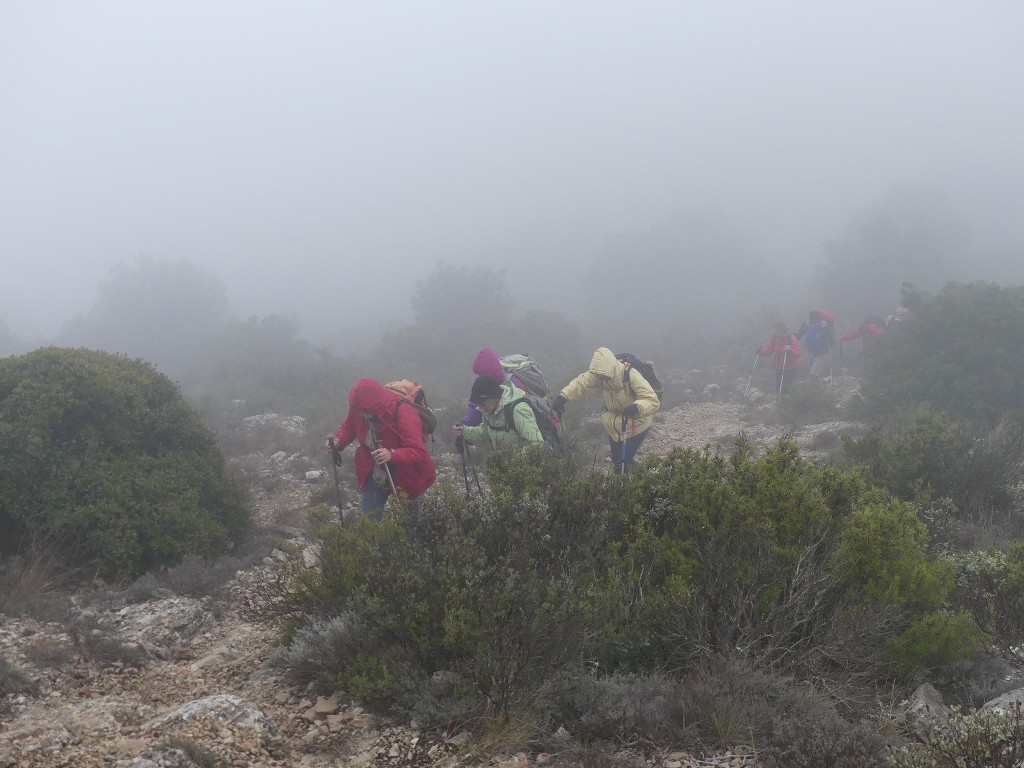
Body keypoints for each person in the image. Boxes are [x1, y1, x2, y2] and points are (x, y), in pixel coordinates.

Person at [326, 378, 437, 520]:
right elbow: (349, 427)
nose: (359, 414)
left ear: (373, 407)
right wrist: (337, 442)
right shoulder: (359, 406)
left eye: (362, 411)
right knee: (370, 519)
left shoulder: (404, 412)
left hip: (407, 473)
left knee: (410, 523)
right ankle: (374, 540)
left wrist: (392, 454)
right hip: (375, 470)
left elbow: (418, 452)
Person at [550, 347, 660, 473]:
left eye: (603, 376)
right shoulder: (599, 374)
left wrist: (637, 407)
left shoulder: (630, 374)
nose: (601, 379)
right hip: (614, 427)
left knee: (623, 463)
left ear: (610, 369)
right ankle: (623, 488)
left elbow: (652, 400)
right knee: (617, 464)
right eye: (599, 376)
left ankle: (648, 483)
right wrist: (563, 396)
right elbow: (581, 384)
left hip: (636, 425)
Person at [452, 375, 543, 451]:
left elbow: (536, 443)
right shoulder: (492, 412)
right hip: (506, 468)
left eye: (482, 404)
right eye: (478, 405)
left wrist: (515, 464)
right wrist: (464, 431)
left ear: (493, 399)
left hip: (524, 469)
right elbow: (484, 431)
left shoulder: (518, 409)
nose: (480, 408)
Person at [461, 348, 526, 427]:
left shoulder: (514, 385)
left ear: (490, 372)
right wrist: (463, 427)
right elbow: (475, 407)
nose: (480, 377)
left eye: (481, 374)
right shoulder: (485, 384)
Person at [758, 321, 801, 395]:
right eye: (774, 330)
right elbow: (769, 352)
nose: (774, 332)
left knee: (786, 385)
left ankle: (786, 401)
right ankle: (779, 401)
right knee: (778, 385)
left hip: (791, 366)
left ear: (782, 330)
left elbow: (798, 354)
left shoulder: (791, 338)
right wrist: (761, 352)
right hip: (779, 365)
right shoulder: (774, 338)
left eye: (776, 330)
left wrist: (790, 349)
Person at [795, 309, 836, 381]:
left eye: (815, 324)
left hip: (822, 352)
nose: (813, 326)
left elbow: (832, 337)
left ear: (819, 321)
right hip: (811, 352)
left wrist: (831, 343)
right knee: (814, 373)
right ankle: (818, 390)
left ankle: (813, 391)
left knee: (812, 373)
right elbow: (798, 335)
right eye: (812, 323)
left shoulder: (825, 326)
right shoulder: (806, 324)